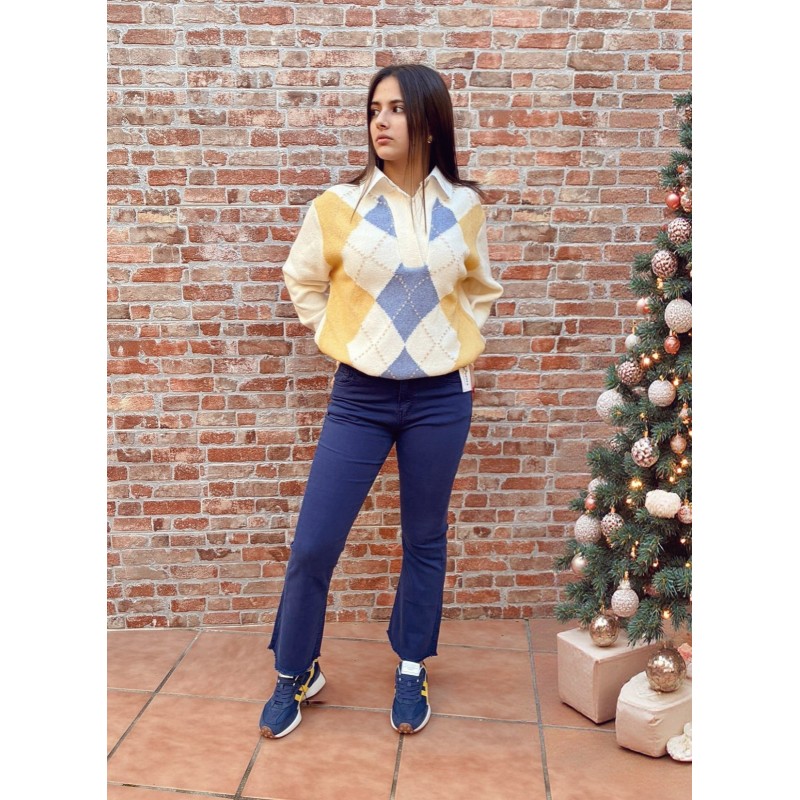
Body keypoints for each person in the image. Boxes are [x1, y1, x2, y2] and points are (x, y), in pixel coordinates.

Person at [259, 63, 503, 739]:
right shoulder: (337, 206)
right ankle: (295, 670)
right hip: (360, 397)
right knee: (314, 544)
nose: (381, 121)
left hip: (440, 399)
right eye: (374, 110)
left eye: (395, 108)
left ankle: (411, 664)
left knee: (424, 537)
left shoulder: (465, 207)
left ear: (428, 120)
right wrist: (336, 337)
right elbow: (302, 279)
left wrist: (455, 343)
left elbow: (480, 289)